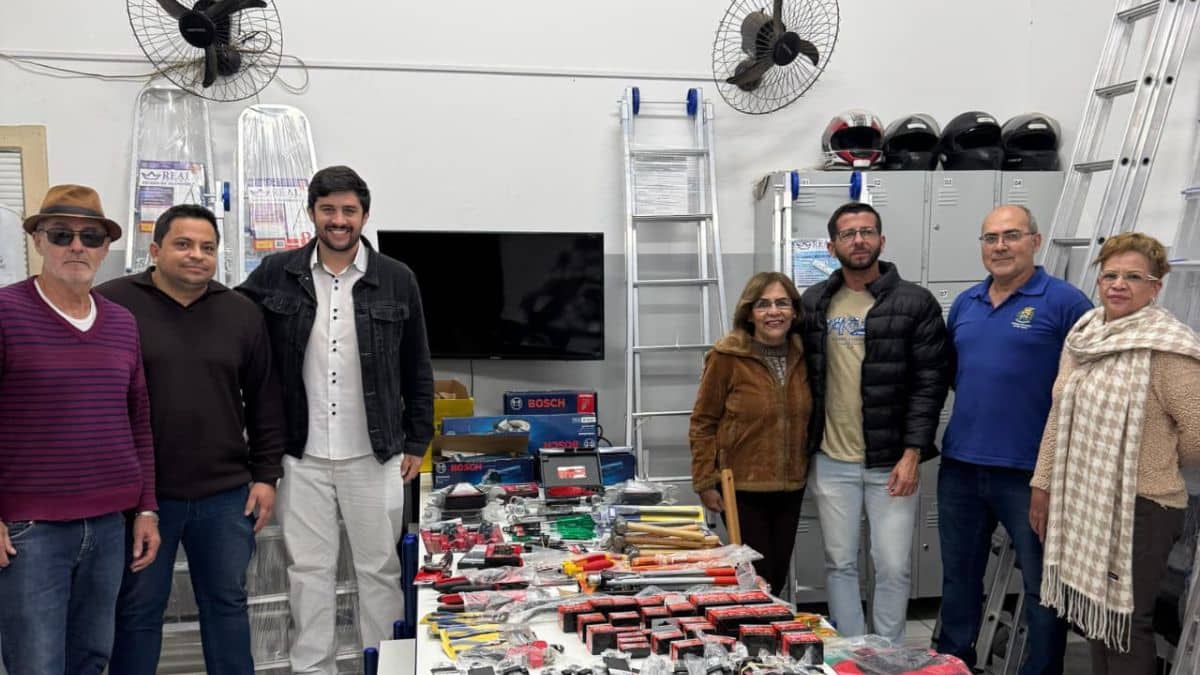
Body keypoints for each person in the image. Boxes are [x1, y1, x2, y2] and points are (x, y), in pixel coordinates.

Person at [239, 165, 434, 674]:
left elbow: (417, 364)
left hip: (375, 452)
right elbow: (230, 320)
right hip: (300, 454)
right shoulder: (275, 272)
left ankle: (386, 667)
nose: (338, 220)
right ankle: (313, 669)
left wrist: (418, 439)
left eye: (349, 210)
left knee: (379, 568)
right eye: (328, 209)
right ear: (312, 213)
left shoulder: (397, 278)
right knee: (308, 570)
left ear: (364, 215)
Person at [98, 204, 286, 675]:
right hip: (141, 498)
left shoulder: (241, 312)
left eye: (207, 247)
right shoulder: (113, 305)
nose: (196, 255)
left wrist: (266, 476)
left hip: (224, 495)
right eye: (183, 244)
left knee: (227, 605)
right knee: (137, 611)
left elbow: (265, 399)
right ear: (155, 249)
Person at [0, 184, 159, 674]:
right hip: (31, 531)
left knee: (92, 659)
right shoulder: (5, 312)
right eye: (61, 234)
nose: (76, 246)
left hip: (110, 525)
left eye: (90, 237)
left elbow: (138, 419)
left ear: (105, 247)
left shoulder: (122, 323)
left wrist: (147, 508)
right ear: (37, 240)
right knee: (37, 664)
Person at [1030, 232, 1200, 675]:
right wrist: (1042, 484)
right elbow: (1059, 414)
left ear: (1155, 287)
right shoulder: (1084, 337)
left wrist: (1155, 458)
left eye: (1133, 277)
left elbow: (1198, 434)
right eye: (1110, 275)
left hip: (1143, 506)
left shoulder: (1168, 349)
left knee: (1126, 623)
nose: (1119, 285)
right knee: (1097, 620)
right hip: (1086, 498)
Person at [936, 204, 1091, 674]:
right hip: (961, 465)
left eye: (1012, 236)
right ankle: (953, 661)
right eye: (991, 238)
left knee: (1043, 586)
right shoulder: (966, 303)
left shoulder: (1066, 303)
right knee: (959, 576)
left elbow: (1087, 389)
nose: (1000, 246)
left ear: (1035, 241)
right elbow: (960, 376)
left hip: (1031, 473)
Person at [799, 202, 950, 642]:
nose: (859, 240)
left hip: (892, 463)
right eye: (848, 234)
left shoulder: (915, 303)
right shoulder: (814, 302)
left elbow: (930, 384)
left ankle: (887, 653)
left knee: (894, 566)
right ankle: (851, 651)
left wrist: (913, 453)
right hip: (831, 460)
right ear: (832, 247)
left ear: (881, 240)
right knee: (840, 564)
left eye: (867, 231)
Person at [688, 271, 812, 596]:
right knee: (757, 577)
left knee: (777, 574)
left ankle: (767, 626)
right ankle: (753, 626)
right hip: (740, 486)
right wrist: (704, 481)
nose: (774, 312)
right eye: (763, 304)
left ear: (795, 311)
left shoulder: (806, 355)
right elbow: (703, 421)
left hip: (791, 485)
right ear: (749, 313)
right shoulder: (726, 357)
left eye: (782, 303)